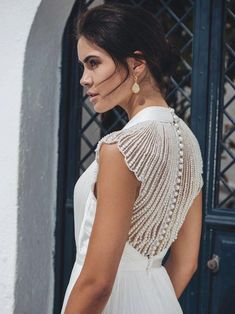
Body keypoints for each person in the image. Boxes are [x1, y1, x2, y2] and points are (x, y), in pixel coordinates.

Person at [61, 3, 203, 314]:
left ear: (136, 64)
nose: (85, 79)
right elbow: (186, 263)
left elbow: (97, 282)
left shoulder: (121, 148)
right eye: (83, 66)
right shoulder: (188, 144)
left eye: (93, 63)